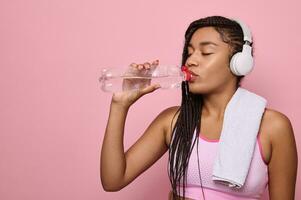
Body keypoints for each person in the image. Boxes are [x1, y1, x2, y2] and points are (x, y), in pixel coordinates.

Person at [100, 16, 298, 200]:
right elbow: (113, 181)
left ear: (240, 63)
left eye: (206, 52)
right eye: (189, 52)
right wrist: (120, 105)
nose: (190, 61)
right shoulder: (173, 121)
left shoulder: (273, 128)